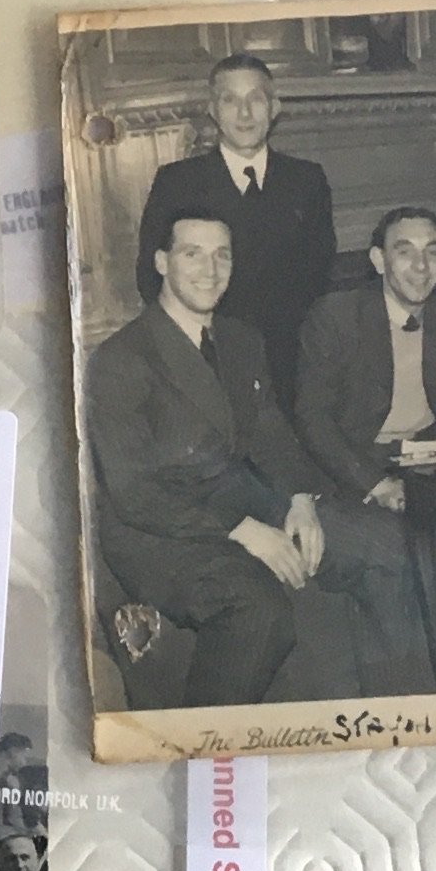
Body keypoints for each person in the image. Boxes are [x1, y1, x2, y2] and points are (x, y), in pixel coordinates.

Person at [84, 211, 323, 703]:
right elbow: (134, 493)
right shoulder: (120, 358)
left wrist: (302, 501)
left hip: (233, 501)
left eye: (222, 255)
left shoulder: (240, 339)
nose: (210, 270)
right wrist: (244, 529)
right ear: (161, 263)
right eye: (193, 253)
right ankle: (205, 741)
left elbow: (271, 432)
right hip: (154, 532)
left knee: (363, 550)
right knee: (257, 609)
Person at [276, 205, 436, 686]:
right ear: (377, 260)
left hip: (424, 467)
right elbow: (312, 419)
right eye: (404, 251)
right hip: (344, 474)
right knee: (398, 547)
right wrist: (375, 483)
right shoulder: (336, 317)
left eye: (432, 253)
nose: (420, 266)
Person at [133, 51, 337, 408]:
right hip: (210, 367)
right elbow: (151, 277)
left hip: (289, 368)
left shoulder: (307, 180)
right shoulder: (177, 182)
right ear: (212, 109)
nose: (244, 114)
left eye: (255, 99)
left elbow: (319, 273)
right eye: (230, 100)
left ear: (274, 107)